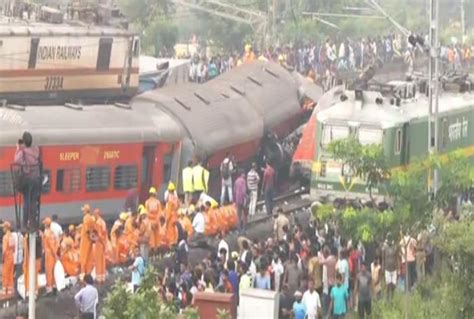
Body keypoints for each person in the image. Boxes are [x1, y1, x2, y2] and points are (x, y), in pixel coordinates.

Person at [14, 131, 41, 228]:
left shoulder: (22, 152)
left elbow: (16, 161)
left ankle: (25, 223)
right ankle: (33, 221)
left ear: (24, 141)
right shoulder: (36, 149)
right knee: (33, 201)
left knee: (26, 201)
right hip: (36, 178)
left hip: (27, 179)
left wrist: (18, 148)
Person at [79, 204, 96, 277]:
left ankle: (83, 273)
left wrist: (89, 235)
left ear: (85, 211)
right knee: (89, 256)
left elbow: (87, 229)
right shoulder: (92, 218)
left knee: (83, 256)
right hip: (89, 240)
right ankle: (88, 272)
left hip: (85, 239)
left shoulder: (85, 218)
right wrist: (92, 237)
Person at [43, 217, 58, 294]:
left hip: (49, 254)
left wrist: (53, 254)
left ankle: (49, 288)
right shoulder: (53, 233)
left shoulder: (46, 234)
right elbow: (56, 243)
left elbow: (50, 245)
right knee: (53, 270)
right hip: (53, 254)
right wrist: (55, 254)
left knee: (49, 271)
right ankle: (54, 285)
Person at [94, 209, 107, 283]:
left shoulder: (98, 223)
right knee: (103, 260)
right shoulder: (103, 222)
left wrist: (100, 241)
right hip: (103, 242)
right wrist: (104, 243)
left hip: (99, 243)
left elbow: (98, 234)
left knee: (98, 260)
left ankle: (99, 277)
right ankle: (103, 276)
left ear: (97, 214)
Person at [2, 221, 15, 295]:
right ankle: (10, 289)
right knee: (10, 273)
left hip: (7, 257)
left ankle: (4, 289)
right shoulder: (12, 236)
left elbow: (4, 249)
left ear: (6, 228)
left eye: (4, 227)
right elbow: (13, 248)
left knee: (5, 273)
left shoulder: (5, 237)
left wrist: (3, 258)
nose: (3, 228)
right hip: (11, 257)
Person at [234, 169, 247, 233]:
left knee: (238, 216)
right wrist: (246, 197)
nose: (244, 175)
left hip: (237, 200)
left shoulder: (236, 181)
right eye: (244, 174)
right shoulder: (243, 181)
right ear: (242, 174)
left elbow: (234, 191)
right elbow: (244, 191)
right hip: (243, 200)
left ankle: (239, 230)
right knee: (244, 215)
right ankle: (244, 229)